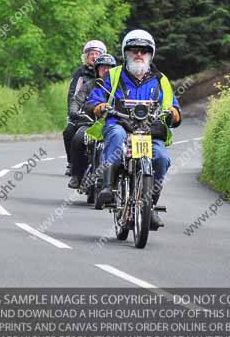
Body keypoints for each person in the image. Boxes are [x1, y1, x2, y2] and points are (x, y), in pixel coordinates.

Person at [85, 29, 181, 230]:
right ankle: (107, 187)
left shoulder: (161, 80)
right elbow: (94, 98)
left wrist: (173, 112)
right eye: (134, 50)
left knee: (162, 158)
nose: (139, 54)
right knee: (117, 136)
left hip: (150, 131)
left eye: (144, 50)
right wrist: (98, 106)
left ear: (150, 54)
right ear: (125, 52)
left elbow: (174, 108)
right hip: (119, 124)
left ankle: (150, 206)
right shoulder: (113, 75)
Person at [67, 53, 117, 189]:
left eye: (109, 68)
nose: (106, 71)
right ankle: (77, 175)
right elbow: (77, 100)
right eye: (102, 68)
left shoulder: (118, 86)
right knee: (78, 139)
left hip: (112, 124)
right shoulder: (89, 85)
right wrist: (74, 110)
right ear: (97, 70)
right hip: (90, 123)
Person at [63, 40, 106, 176]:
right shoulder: (81, 74)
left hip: (106, 116)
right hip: (84, 113)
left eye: (97, 54)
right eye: (91, 54)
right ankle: (72, 163)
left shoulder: (113, 77)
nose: (94, 56)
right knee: (70, 132)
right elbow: (74, 95)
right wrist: (73, 111)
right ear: (86, 57)